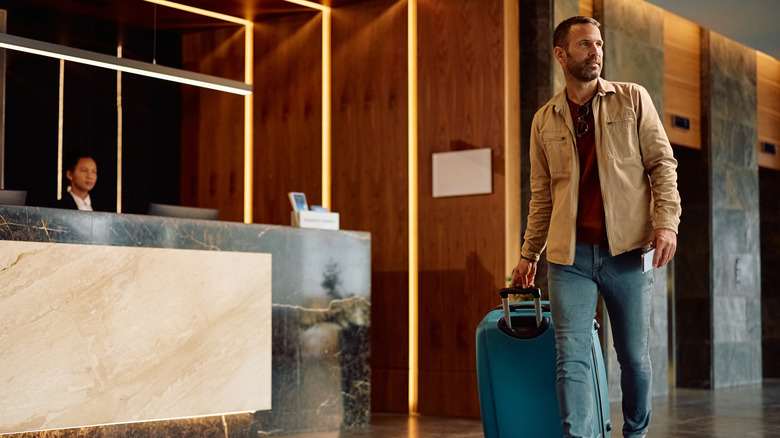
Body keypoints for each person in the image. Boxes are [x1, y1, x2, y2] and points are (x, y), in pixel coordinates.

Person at [509, 16, 681, 438]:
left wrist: (667, 223)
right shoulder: (543, 120)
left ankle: (635, 433)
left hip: (628, 254)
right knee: (571, 358)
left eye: (599, 43)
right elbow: (542, 196)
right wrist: (528, 254)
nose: (596, 51)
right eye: (585, 44)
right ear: (561, 54)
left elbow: (662, 165)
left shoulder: (632, 99)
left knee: (634, 359)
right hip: (569, 259)